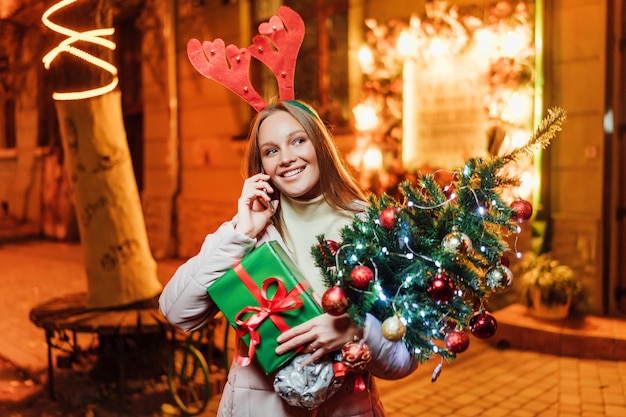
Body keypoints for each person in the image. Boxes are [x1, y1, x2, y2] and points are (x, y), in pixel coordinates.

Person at [159, 100, 417, 417]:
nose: (287, 158)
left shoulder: (370, 228)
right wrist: (241, 232)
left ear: (319, 143)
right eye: (271, 151)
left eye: (298, 140)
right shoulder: (251, 232)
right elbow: (176, 312)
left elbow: (403, 360)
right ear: (262, 167)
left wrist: (355, 329)